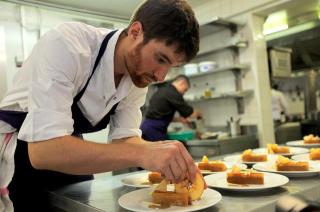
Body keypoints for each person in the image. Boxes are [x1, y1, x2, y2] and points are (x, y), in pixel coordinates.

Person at [0, 0, 200, 211]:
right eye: (160, 58)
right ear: (135, 31)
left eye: (171, 66)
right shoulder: (68, 45)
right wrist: (143, 153)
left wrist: (159, 150)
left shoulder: (136, 77)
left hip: (67, 145)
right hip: (19, 150)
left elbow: (125, 139)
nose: (161, 76)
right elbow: (43, 151)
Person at [141, 75, 201, 141]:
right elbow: (190, 113)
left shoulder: (164, 89)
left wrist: (179, 120)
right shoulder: (173, 93)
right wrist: (199, 114)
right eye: (185, 90)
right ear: (182, 83)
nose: (184, 93)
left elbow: (160, 115)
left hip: (147, 128)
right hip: (154, 131)